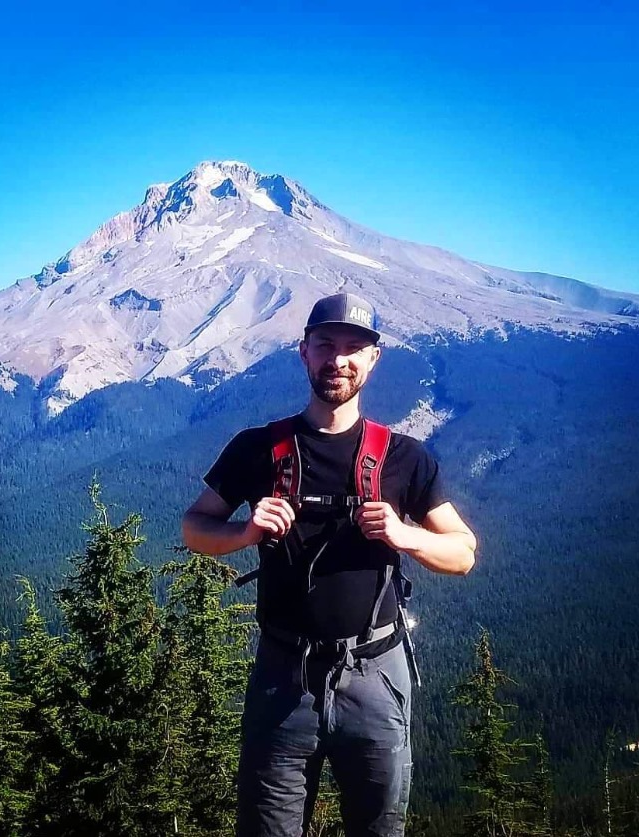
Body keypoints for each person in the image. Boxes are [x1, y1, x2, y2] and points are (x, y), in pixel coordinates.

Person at [182, 292, 476, 837]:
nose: (337, 360)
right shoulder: (258, 448)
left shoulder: (405, 457)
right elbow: (195, 527)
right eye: (325, 346)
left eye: (352, 348)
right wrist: (245, 531)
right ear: (304, 353)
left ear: (372, 360)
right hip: (282, 673)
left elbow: (462, 552)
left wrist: (405, 534)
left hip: (374, 671)